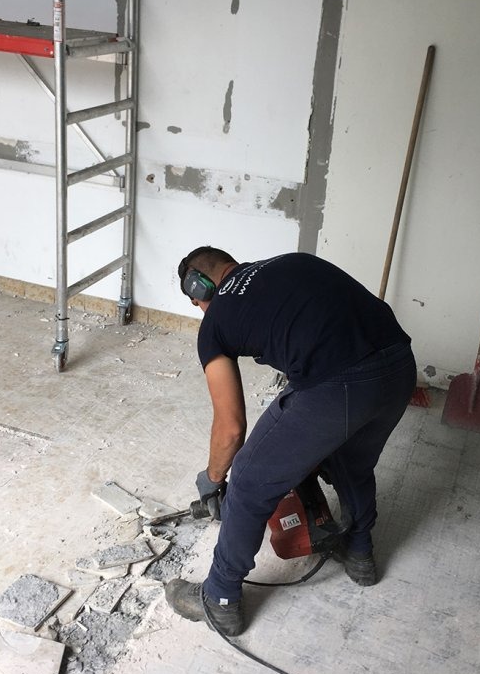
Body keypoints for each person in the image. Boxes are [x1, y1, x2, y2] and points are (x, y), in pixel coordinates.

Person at [164, 246, 416, 636]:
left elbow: (231, 428)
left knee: (248, 478)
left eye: (197, 303)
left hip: (339, 385)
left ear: (199, 288)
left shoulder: (214, 322)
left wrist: (213, 479)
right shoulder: (294, 261)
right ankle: (359, 551)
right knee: (351, 461)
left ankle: (220, 599)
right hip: (399, 367)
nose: (201, 311)